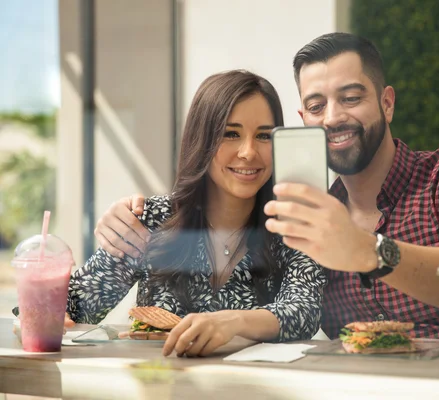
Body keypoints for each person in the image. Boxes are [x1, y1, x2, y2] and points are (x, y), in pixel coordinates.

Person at [94, 33, 439, 347]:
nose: (332, 117)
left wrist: (371, 252)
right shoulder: (305, 217)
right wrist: (129, 215)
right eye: (316, 105)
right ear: (303, 117)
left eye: (351, 98)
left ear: (386, 103)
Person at [67, 70, 326, 357]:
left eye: (264, 135)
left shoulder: (294, 223)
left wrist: (234, 321)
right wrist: (48, 294)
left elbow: (303, 311)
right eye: (231, 133)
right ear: (202, 138)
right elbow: (75, 305)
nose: (248, 152)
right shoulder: (153, 219)